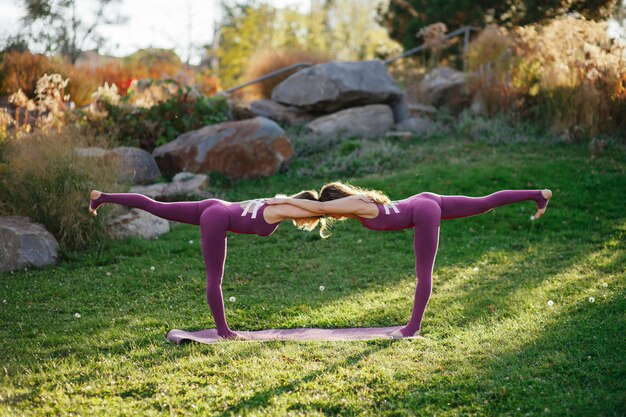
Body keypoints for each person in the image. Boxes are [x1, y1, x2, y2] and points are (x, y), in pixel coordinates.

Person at [265, 181, 552, 338]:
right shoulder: (362, 201)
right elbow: (318, 207)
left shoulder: (355, 204)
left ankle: (412, 328)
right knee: (484, 202)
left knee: (423, 274)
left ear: (336, 201)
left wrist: (278, 202)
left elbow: (315, 206)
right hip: (424, 200)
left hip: (422, 211)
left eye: (332, 210)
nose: (334, 216)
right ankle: (538, 195)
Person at [89, 189, 325, 339]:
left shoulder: (276, 202)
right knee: (215, 278)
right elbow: (314, 208)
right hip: (217, 218)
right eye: (310, 218)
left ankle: (102, 197)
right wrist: (325, 208)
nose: (306, 222)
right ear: (303, 208)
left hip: (215, 205)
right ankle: (223, 331)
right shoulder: (283, 208)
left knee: (156, 206)